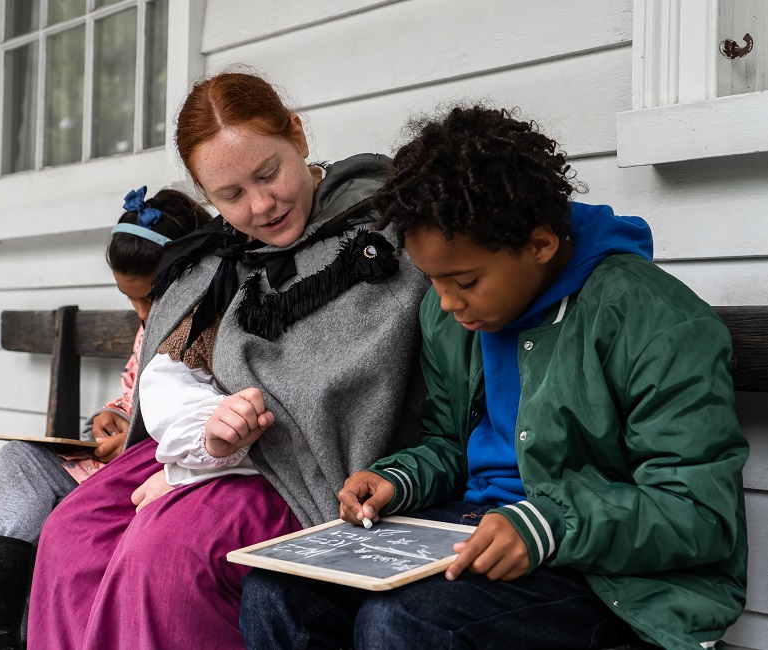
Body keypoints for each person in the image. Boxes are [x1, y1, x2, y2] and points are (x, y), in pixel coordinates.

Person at [239, 105, 749, 650]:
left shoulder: (655, 320)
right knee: (277, 591)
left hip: (613, 581)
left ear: (540, 244)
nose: (445, 302)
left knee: (406, 621)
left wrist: (546, 525)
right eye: (433, 279)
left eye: (464, 279)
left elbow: (698, 513)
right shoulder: (454, 314)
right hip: (476, 528)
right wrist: (399, 479)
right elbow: (449, 443)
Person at [25, 71, 428, 650]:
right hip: (203, 445)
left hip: (302, 474)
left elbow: (356, 398)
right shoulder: (218, 264)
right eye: (230, 195)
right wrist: (193, 448)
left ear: (298, 135)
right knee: (75, 530)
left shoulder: (383, 234)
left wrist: (191, 473)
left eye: (269, 174)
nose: (261, 206)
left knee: (168, 553)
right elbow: (170, 370)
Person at [0, 187, 210, 650]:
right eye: (129, 299)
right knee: (19, 459)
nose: (142, 313)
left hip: (159, 481)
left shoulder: (208, 329)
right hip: (111, 468)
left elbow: (209, 421)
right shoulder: (148, 329)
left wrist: (145, 441)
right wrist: (113, 417)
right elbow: (131, 394)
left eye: (151, 299)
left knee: (63, 521)